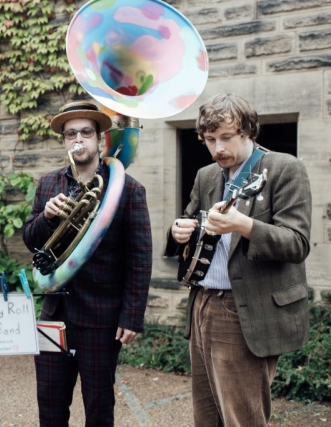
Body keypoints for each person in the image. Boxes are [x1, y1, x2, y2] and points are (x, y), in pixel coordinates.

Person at [165, 93, 312, 427]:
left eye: (227, 138)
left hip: (245, 308)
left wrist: (244, 226)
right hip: (202, 303)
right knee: (206, 417)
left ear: (248, 131)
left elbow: (297, 243)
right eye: (211, 139)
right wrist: (177, 231)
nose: (218, 148)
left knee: (242, 418)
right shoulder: (206, 175)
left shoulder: (284, 168)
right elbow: (189, 221)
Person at [23, 101, 152, 426]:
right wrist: (47, 218)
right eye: (70, 134)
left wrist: (132, 316)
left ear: (98, 138)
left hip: (102, 316)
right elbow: (31, 240)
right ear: (64, 141)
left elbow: (140, 257)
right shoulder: (48, 184)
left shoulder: (129, 189)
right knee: (49, 407)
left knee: (98, 409)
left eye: (85, 133)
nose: (78, 140)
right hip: (55, 314)